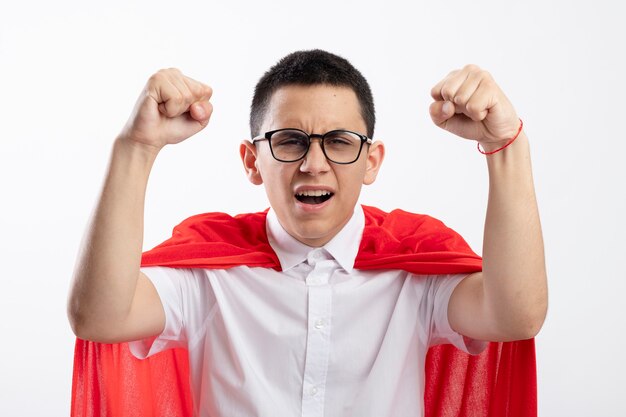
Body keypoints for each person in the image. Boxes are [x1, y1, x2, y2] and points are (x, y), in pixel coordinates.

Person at [68, 50, 547, 417]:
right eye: (289, 141)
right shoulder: (206, 274)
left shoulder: (416, 270)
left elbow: (515, 317)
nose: (313, 164)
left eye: (340, 141)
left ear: (372, 162)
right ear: (252, 162)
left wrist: (505, 144)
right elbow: (99, 318)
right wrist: (136, 147)